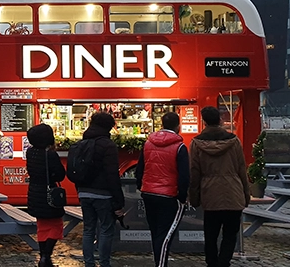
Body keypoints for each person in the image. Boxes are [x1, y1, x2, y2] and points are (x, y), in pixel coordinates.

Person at [189, 106, 249, 267]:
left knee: (210, 234)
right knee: (230, 234)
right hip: (233, 192)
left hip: (210, 193)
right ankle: (224, 262)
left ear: (204, 122)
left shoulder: (196, 144)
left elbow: (194, 173)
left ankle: (212, 263)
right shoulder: (234, 141)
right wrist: (246, 194)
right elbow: (241, 169)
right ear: (220, 120)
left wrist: (194, 197)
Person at [135, 112, 189, 267]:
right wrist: (183, 196)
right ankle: (161, 264)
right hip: (169, 195)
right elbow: (184, 175)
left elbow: (140, 168)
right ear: (178, 126)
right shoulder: (179, 147)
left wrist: (142, 186)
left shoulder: (148, 143)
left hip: (149, 192)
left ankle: (158, 261)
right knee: (166, 234)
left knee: (155, 231)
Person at [75, 112, 124, 267]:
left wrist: (79, 191)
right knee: (105, 229)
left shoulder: (82, 143)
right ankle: (104, 263)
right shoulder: (108, 145)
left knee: (88, 229)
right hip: (103, 194)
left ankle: (88, 263)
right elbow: (112, 176)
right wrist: (118, 202)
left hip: (84, 192)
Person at [25, 124, 65, 267]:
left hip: (35, 193)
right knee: (56, 226)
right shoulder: (50, 154)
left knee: (42, 226)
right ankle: (46, 257)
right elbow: (60, 174)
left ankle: (43, 256)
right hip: (49, 194)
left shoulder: (30, 152)